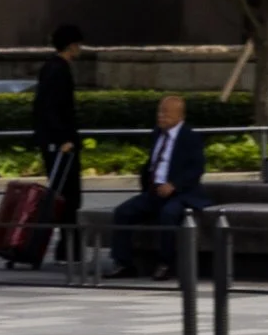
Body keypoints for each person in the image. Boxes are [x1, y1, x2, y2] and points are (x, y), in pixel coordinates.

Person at [105, 95, 212, 281]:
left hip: (181, 193)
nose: (161, 117)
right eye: (160, 112)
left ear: (180, 116)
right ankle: (123, 263)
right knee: (123, 212)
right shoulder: (157, 134)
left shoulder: (190, 137)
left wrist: (174, 185)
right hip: (155, 191)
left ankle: (166, 263)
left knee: (168, 214)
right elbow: (153, 163)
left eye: (166, 113)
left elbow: (197, 169)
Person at [33, 24, 85, 261]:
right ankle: (67, 247)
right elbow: (51, 108)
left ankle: (66, 247)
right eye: (77, 44)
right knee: (69, 196)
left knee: (64, 196)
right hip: (61, 145)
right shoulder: (59, 70)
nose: (80, 49)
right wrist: (64, 138)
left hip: (55, 142)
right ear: (71, 45)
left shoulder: (50, 67)